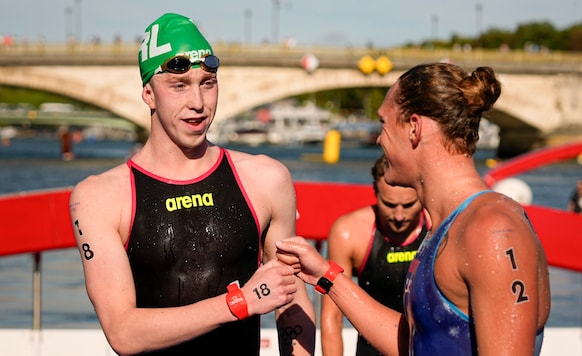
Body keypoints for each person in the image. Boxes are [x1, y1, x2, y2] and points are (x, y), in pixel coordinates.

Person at [69, 13, 315, 355]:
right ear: (149, 94)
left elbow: (290, 300)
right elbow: (122, 332)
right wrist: (239, 303)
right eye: (179, 85)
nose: (198, 103)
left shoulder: (266, 179)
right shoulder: (99, 197)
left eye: (208, 83)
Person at [277, 62, 551, 355]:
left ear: (414, 128)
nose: (379, 138)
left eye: (384, 122)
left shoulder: (491, 229)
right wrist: (325, 275)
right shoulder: (448, 226)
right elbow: (417, 340)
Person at [321, 154, 430, 356]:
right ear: (375, 193)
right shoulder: (349, 233)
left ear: (422, 195)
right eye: (389, 204)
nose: (399, 216)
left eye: (408, 205)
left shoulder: (439, 227)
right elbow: (332, 316)